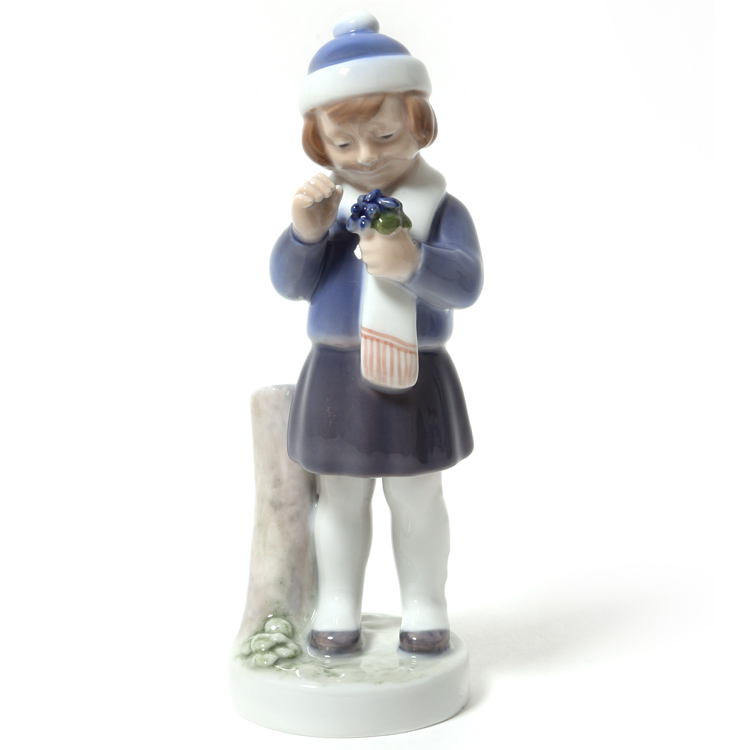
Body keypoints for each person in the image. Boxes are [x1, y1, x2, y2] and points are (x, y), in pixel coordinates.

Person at [270, 11, 483, 655]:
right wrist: (306, 234)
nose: (366, 156)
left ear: (418, 125)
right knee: (339, 499)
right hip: (338, 374)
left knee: (418, 497)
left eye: (385, 135)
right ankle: (337, 603)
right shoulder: (329, 211)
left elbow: (466, 284)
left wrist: (414, 263)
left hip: (416, 374)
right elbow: (289, 282)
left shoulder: (441, 211)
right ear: (321, 144)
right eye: (344, 143)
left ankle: (425, 605)